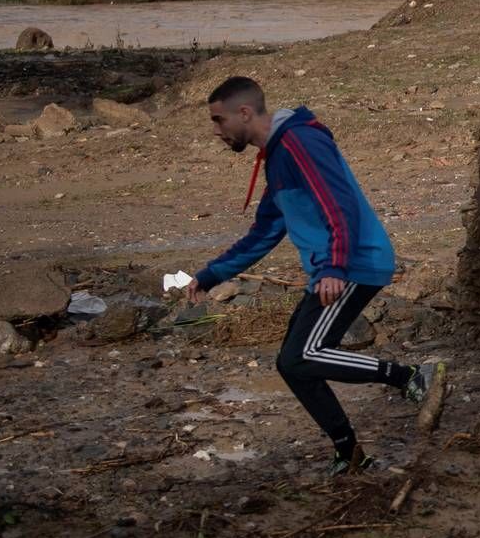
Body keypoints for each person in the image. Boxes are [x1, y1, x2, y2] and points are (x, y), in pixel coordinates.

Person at [186, 76, 443, 476]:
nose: (216, 131)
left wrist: (333, 266)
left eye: (218, 121)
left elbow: (339, 204)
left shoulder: (300, 142)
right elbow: (266, 231)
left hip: (354, 264)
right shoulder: (279, 156)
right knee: (293, 364)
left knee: (304, 354)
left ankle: (409, 376)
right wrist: (211, 274)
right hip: (335, 268)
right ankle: (349, 451)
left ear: (244, 112)